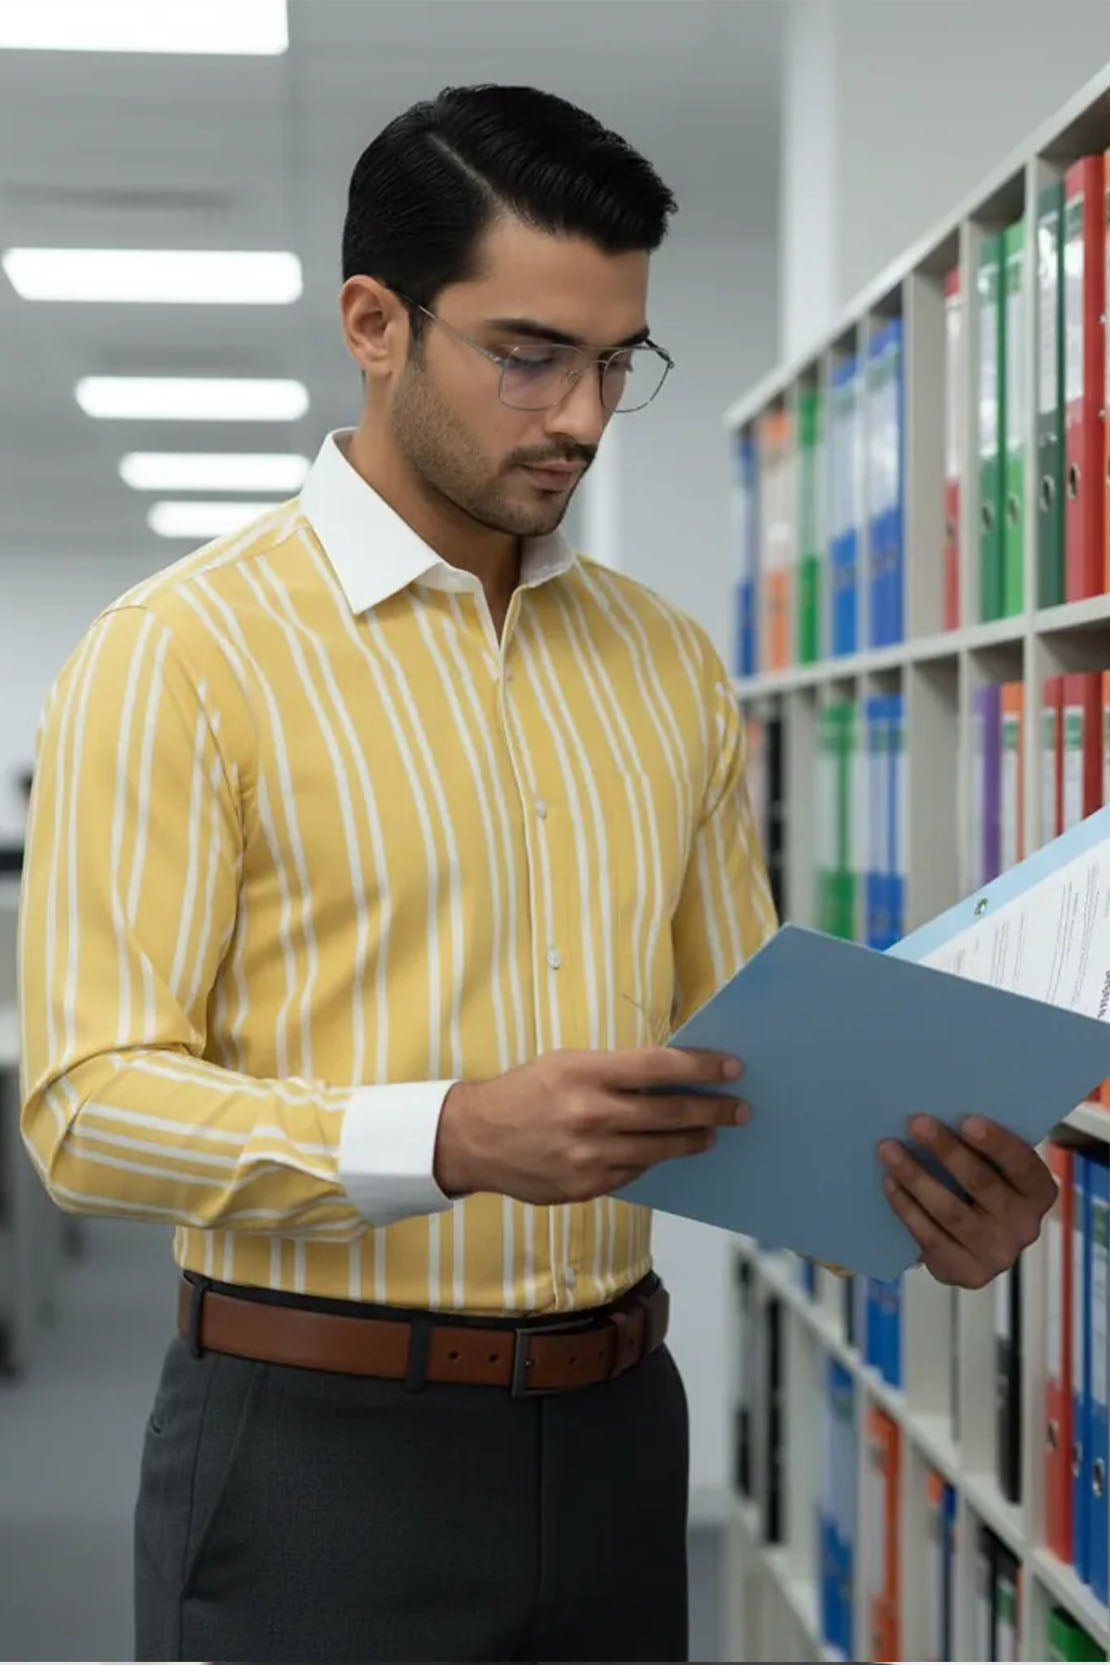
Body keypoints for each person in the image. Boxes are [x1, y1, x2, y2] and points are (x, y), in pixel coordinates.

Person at [17, 82, 1056, 1665]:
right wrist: (444, 1132)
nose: (578, 411)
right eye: (529, 355)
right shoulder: (180, 655)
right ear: (374, 322)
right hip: (316, 1450)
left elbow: (742, 1056)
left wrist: (923, 1188)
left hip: (619, 1436)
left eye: (614, 361)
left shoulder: (662, 662)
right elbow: (87, 1106)